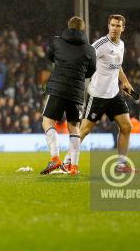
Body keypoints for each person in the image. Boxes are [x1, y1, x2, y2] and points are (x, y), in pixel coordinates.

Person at [64, 14, 135, 173]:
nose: (115, 28)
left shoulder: (121, 45)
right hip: (97, 95)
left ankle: (121, 165)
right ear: (108, 26)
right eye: (113, 25)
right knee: (84, 130)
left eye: (118, 26)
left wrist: (125, 81)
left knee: (127, 127)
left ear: (123, 28)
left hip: (114, 94)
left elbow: (118, 66)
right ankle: (68, 160)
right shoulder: (101, 44)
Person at [39, 16, 96, 176]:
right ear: (83, 29)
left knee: (48, 122)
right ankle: (74, 166)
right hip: (77, 92)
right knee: (74, 127)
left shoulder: (57, 42)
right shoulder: (90, 49)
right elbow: (91, 70)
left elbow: (50, 57)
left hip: (58, 88)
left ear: (68, 27)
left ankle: (55, 157)